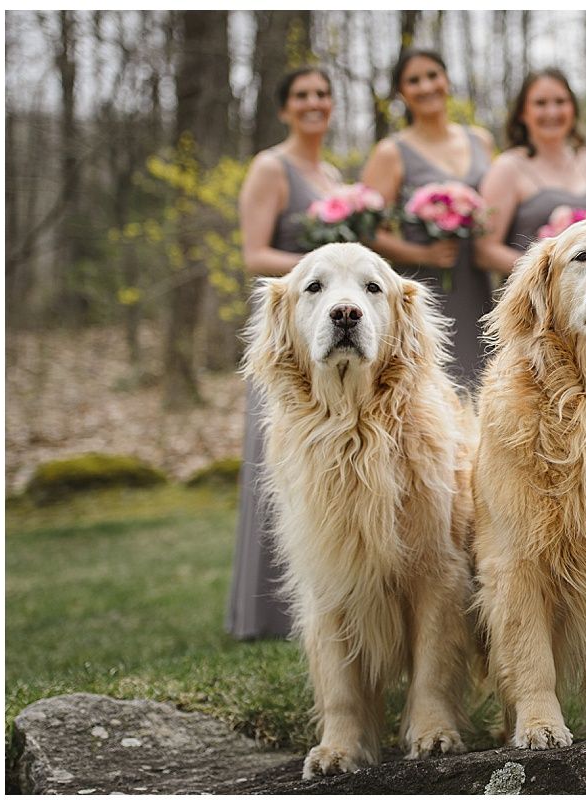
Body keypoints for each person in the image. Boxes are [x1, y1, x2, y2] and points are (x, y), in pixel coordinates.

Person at [228, 66, 342, 639]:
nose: (314, 103)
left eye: (322, 94)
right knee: (276, 469)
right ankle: (263, 614)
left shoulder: (334, 176)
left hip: (337, 338)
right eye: (301, 95)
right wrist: (322, 268)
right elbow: (253, 253)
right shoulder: (271, 167)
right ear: (284, 108)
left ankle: (322, 593)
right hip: (296, 336)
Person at [361, 49, 494, 387]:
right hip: (425, 287)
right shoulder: (391, 152)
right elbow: (367, 232)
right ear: (402, 94)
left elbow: (496, 209)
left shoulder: (480, 140)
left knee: (482, 381)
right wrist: (423, 254)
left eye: (433, 75)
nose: (426, 86)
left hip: (476, 283)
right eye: (413, 80)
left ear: (447, 80)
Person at [476, 69, 586, 276]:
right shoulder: (507, 167)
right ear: (522, 113)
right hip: (534, 300)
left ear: (573, 109)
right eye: (540, 103)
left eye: (560, 102)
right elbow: (485, 251)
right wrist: (551, 272)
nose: (552, 112)